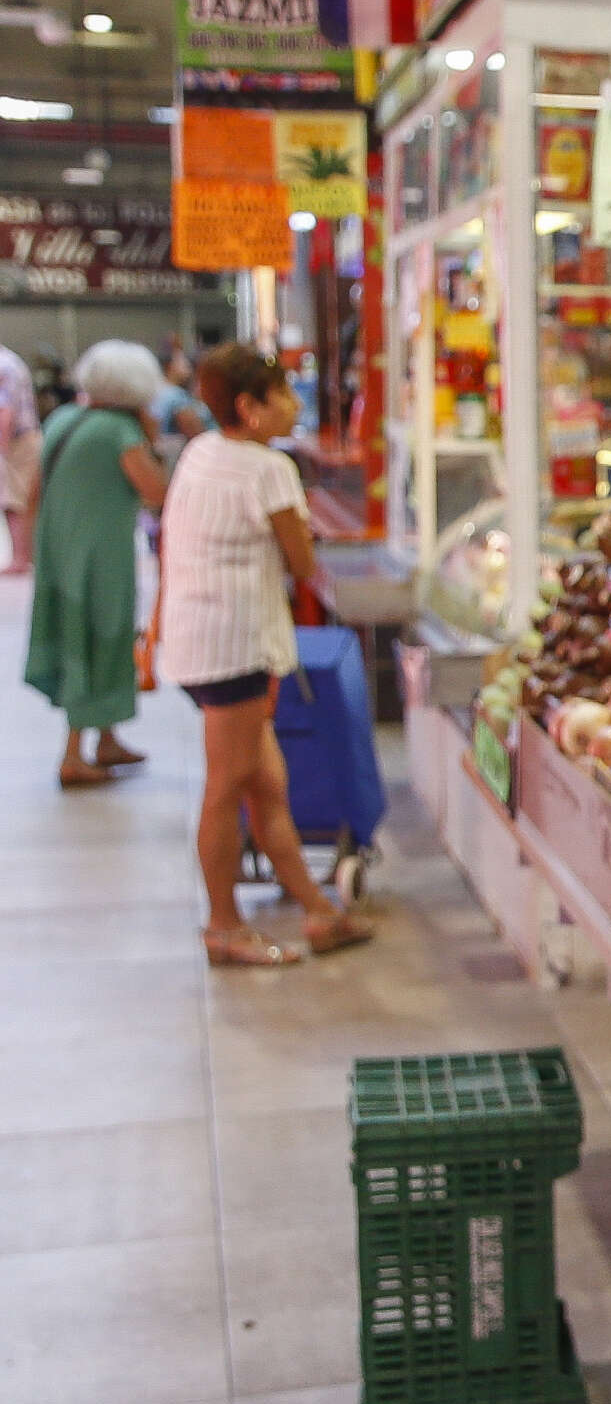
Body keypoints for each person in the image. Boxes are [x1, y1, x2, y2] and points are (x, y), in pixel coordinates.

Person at [160, 343, 372, 967]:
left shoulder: (202, 452)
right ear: (250, 407)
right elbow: (302, 562)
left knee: (267, 782)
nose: (291, 404)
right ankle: (224, 927)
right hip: (234, 647)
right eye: (280, 394)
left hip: (200, 637)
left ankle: (317, 910)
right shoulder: (267, 469)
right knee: (228, 787)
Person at [22, 339, 165, 783]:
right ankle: (72, 755)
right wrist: (152, 439)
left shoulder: (64, 418)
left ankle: (106, 738)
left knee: (82, 637)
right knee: (100, 637)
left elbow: (34, 491)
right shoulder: (120, 432)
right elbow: (156, 492)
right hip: (100, 556)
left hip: (60, 549)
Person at [0, 341, 36, 574]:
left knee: (15, 501)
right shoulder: (8, 361)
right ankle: (21, 556)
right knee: (15, 499)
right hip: (18, 440)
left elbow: (6, 412)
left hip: (16, 442)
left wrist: (1, 448)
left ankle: (20, 559)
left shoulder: (4, 366)